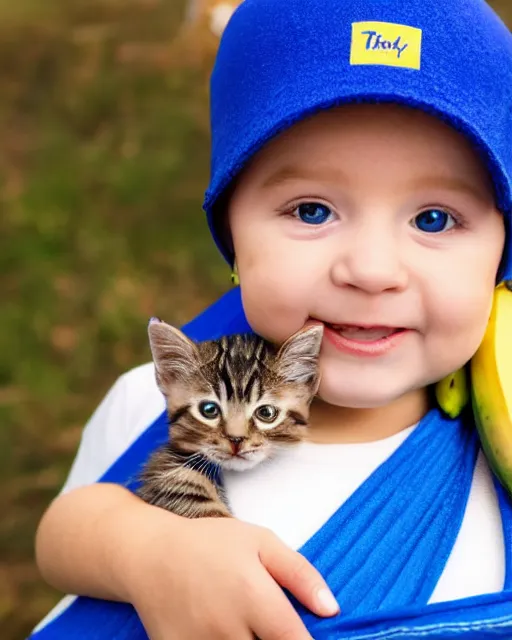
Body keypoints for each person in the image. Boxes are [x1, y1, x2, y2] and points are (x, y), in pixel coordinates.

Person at [30, 0, 512, 638]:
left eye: (434, 219)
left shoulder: (498, 463)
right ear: (232, 236)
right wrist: (145, 549)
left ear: (501, 261)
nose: (370, 270)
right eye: (312, 211)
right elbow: (63, 533)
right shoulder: (151, 398)